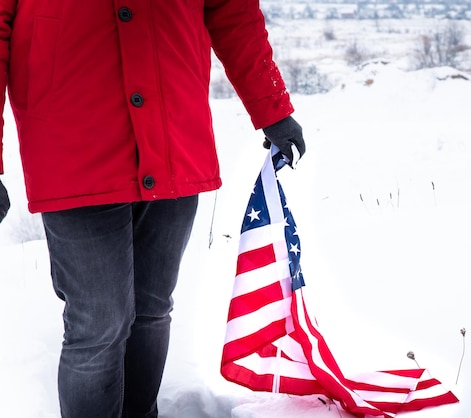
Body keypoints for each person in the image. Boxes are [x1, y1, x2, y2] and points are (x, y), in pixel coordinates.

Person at [0, 2, 305, 417]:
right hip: (71, 144)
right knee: (98, 323)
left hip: (172, 133)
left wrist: (273, 108)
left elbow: (233, 12)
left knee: (152, 308)